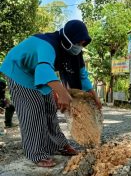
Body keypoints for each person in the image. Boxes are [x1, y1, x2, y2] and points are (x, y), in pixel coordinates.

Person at [0, 20, 101, 168]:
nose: (80, 46)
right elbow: (44, 70)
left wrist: (94, 96)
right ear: (67, 39)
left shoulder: (73, 51)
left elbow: (82, 75)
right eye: (78, 42)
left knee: (50, 108)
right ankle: (36, 152)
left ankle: (57, 145)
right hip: (18, 69)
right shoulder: (48, 45)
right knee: (33, 110)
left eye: (83, 43)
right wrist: (63, 94)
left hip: (36, 71)